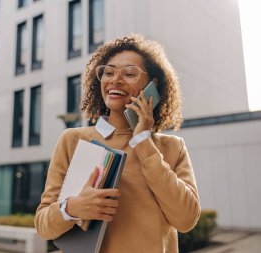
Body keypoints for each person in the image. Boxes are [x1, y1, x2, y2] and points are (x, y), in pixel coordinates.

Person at [34, 34, 200, 252]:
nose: (115, 80)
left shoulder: (171, 147)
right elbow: (43, 226)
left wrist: (143, 141)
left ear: (153, 84)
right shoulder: (73, 140)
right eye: (108, 72)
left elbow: (186, 219)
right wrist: (73, 207)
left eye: (129, 73)